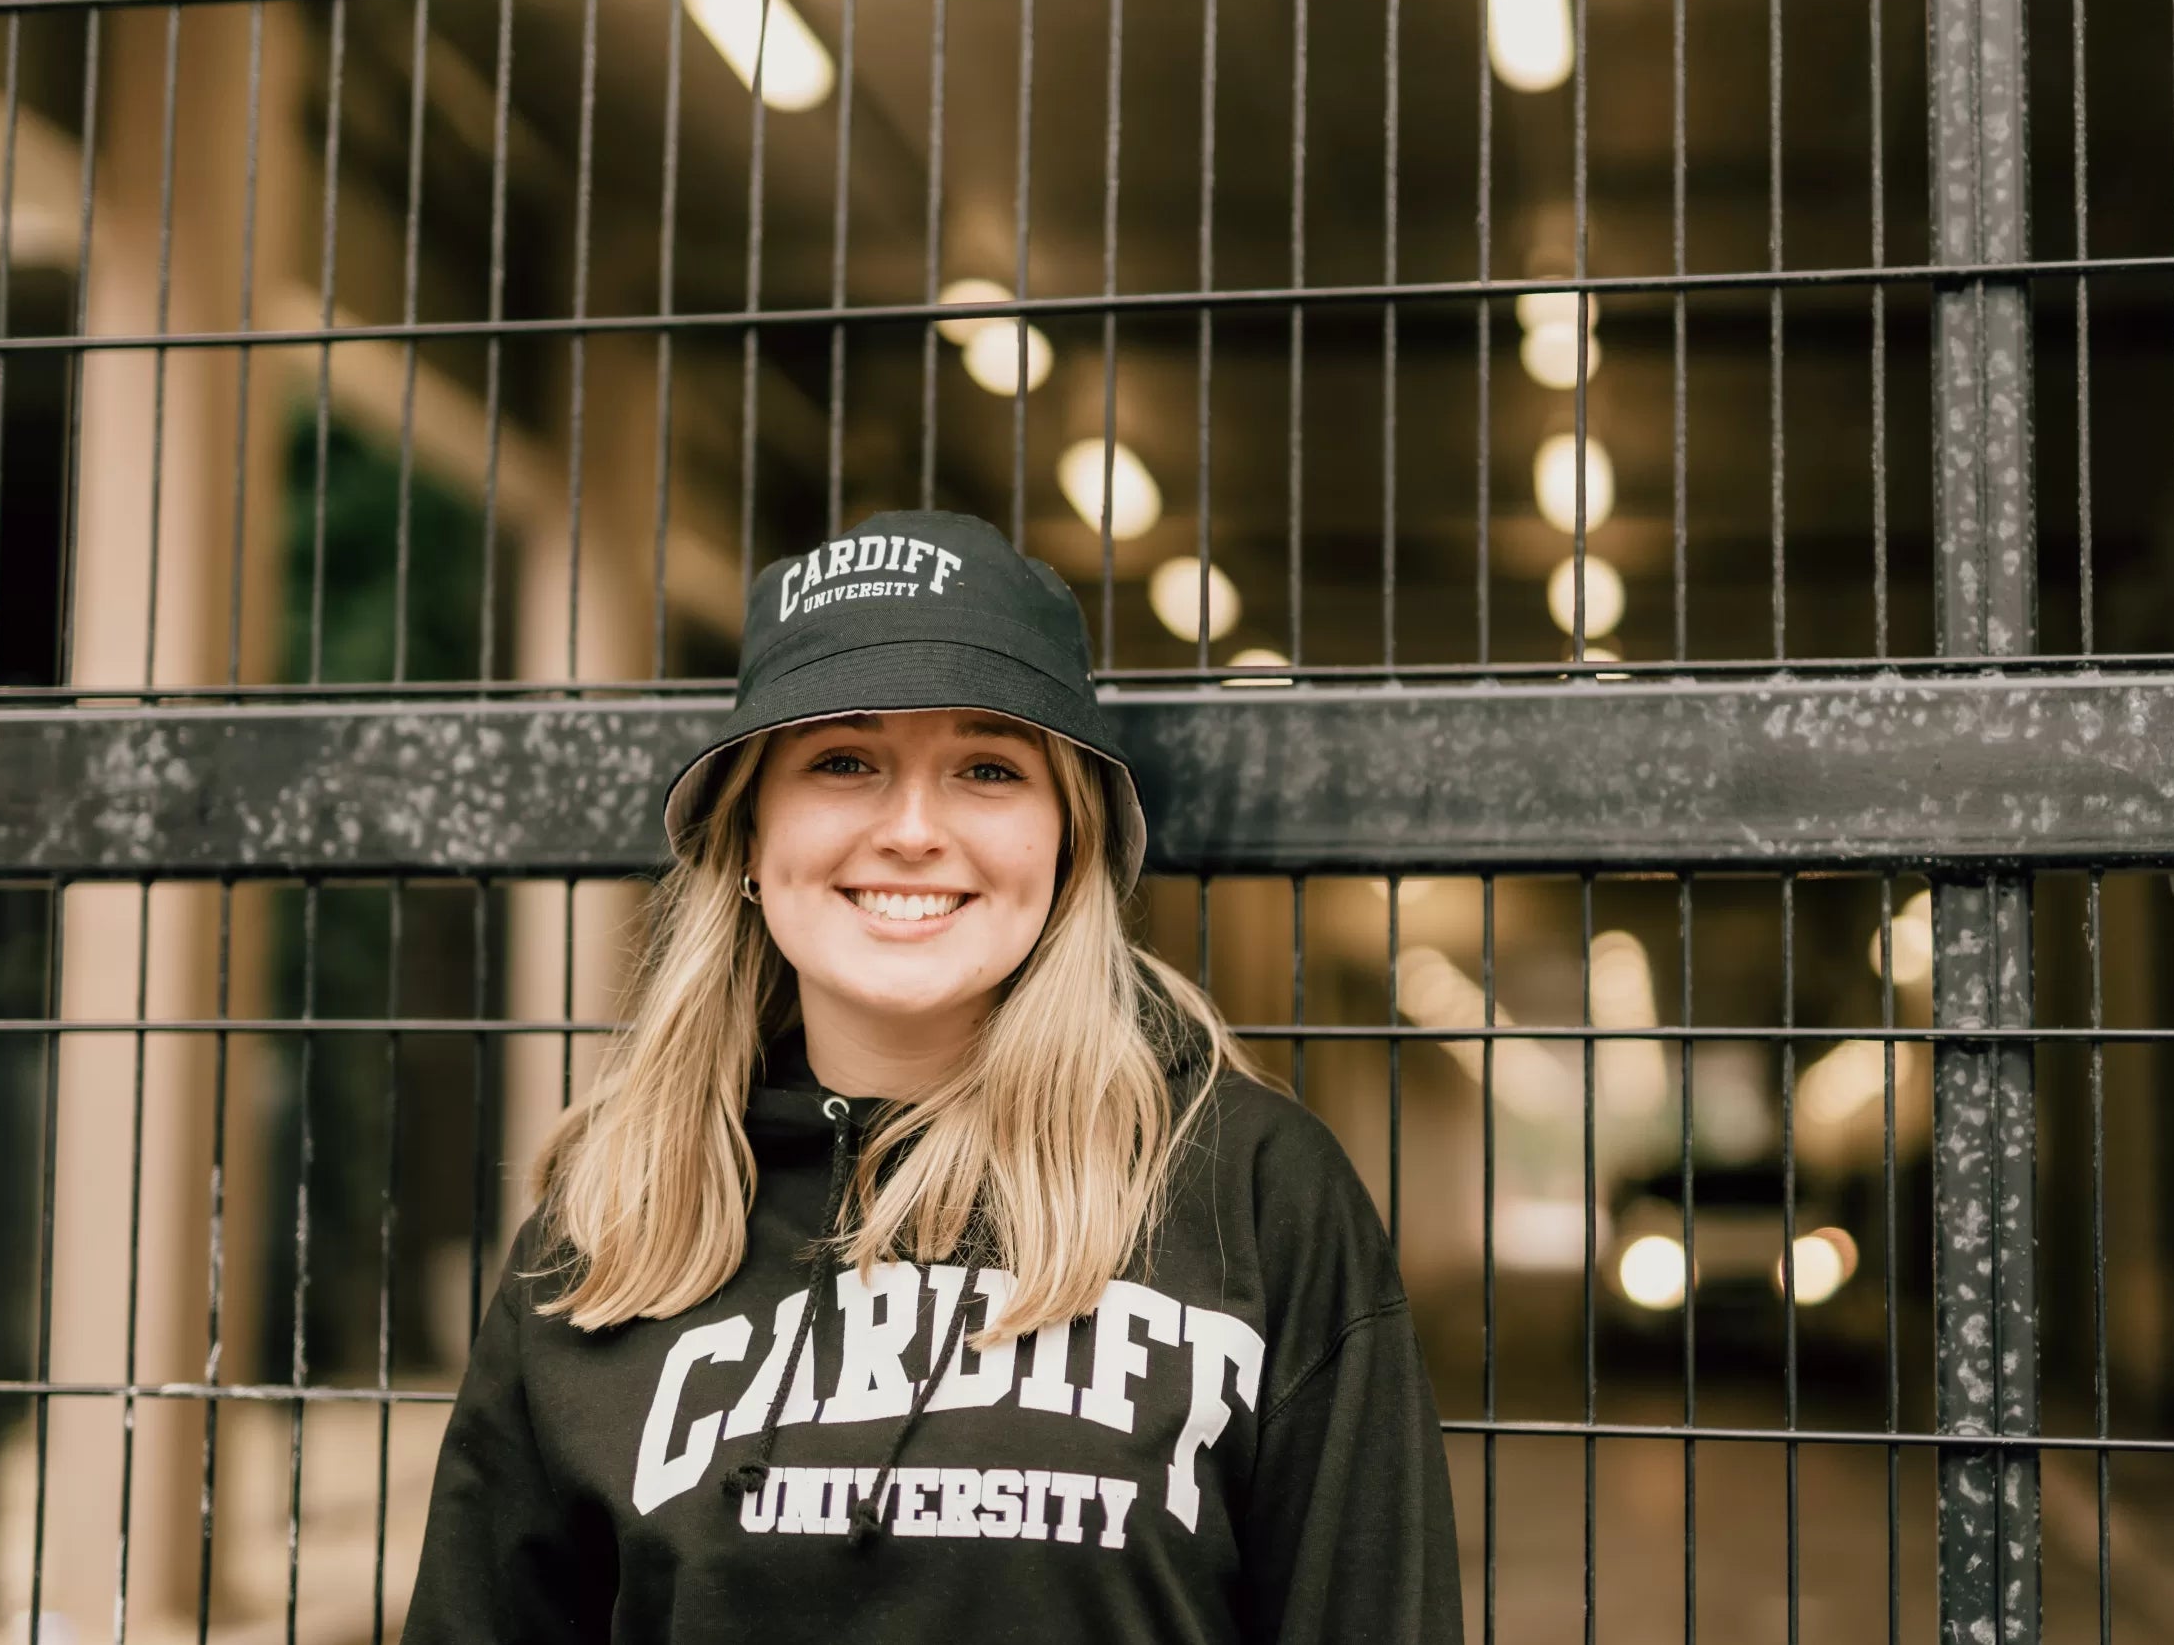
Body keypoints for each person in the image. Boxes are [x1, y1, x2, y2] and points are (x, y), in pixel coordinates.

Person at [402, 509, 1462, 1643]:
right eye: (843, 761)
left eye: (987, 768)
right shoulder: (614, 1220)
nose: (912, 828)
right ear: (751, 835)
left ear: (1068, 843)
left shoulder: (1252, 1191)